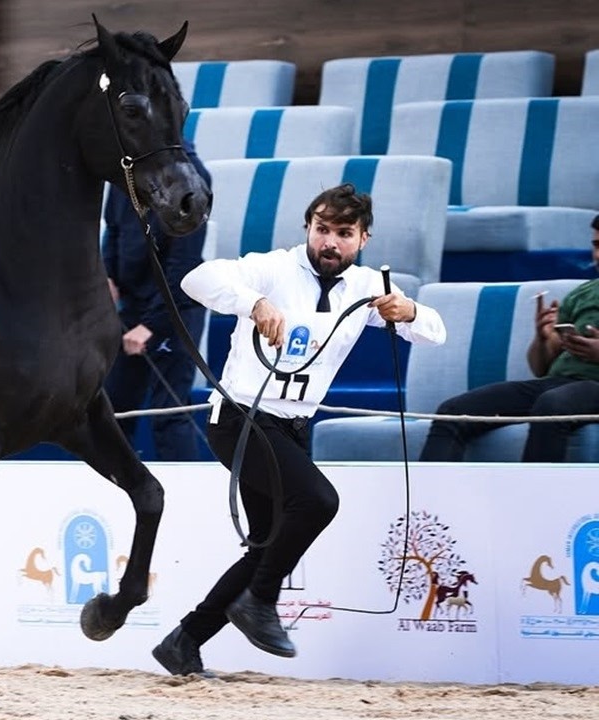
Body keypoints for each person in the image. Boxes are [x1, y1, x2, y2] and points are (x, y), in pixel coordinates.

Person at [150, 183, 447, 676]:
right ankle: (259, 602)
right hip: (241, 417)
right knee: (317, 502)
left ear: (363, 239)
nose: (330, 242)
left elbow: (435, 331)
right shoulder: (273, 268)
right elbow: (197, 280)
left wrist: (410, 311)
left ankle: (185, 640)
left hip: (293, 425)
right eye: (322, 229)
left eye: (343, 233)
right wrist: (254, 304)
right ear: (308, 228)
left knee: (267, 542)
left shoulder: (368, 286)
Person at [420, 215, 599, 463]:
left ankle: (534, 500)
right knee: (453, 413)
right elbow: (540, 368)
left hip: (592, 387)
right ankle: (426, 499)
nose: (597, 255)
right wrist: (543, 337)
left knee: (550, 406)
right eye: (597, 246)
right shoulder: (583, 294)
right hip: (559, 383)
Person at [102, 140, 212, 461]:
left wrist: (150, 326)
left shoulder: (193, 177)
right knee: (113, 411)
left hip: (174, 310)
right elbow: (114, 229)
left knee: (169, 414)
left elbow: (183, 266)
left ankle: (187, 498)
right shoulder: (123, 172)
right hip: (130, 308)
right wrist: (108, 275)